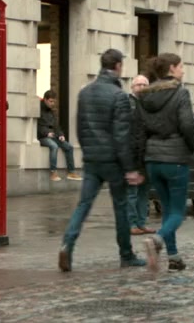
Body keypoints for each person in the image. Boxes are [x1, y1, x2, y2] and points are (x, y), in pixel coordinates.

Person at [58, 49, 147, 272]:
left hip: (91, 159)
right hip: (113, 161)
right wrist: (130, 168)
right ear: (117, 66)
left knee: (83, 204)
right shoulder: (119, 96)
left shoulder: (85, 93)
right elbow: (122, 136)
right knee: (121, 207)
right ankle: (126, 254)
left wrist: (88, 150)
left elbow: (79, 128)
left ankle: (67, 243)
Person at [137, 53, 194, 272]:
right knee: (177, 212)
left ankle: (173, 257)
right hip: (175, 157)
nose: (183, 70)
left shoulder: (144, 96)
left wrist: (142, 159)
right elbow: (187, 124)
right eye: (181, 66)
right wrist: (192, 146)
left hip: (153, 158)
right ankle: (157, 240)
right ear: (171, 68)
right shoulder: (180, 93)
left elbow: (140, 130)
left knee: (167, 209)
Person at [126, 75, 155, 235]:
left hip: (147, 154)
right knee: (132, 191)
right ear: (132, 87)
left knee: (144, 191)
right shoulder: (127, 104)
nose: (142, 88)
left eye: (145, 85)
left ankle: (141, 222)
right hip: (131, 154)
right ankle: (131, 224)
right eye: (139, 85)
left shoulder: (150, 105)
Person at [38, 90, 81, 182]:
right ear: (45, 100)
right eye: (51, 101)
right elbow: (37, 126)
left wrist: (61, 134)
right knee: (54, 146)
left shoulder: (52, 112)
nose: (52, 104)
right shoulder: (38, 109)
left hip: (53, 135)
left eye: (54, 101)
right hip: (43, 137)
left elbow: (56, 126)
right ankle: (53, 172)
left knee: (69, 147)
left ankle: (71, 172)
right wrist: (47, 133)